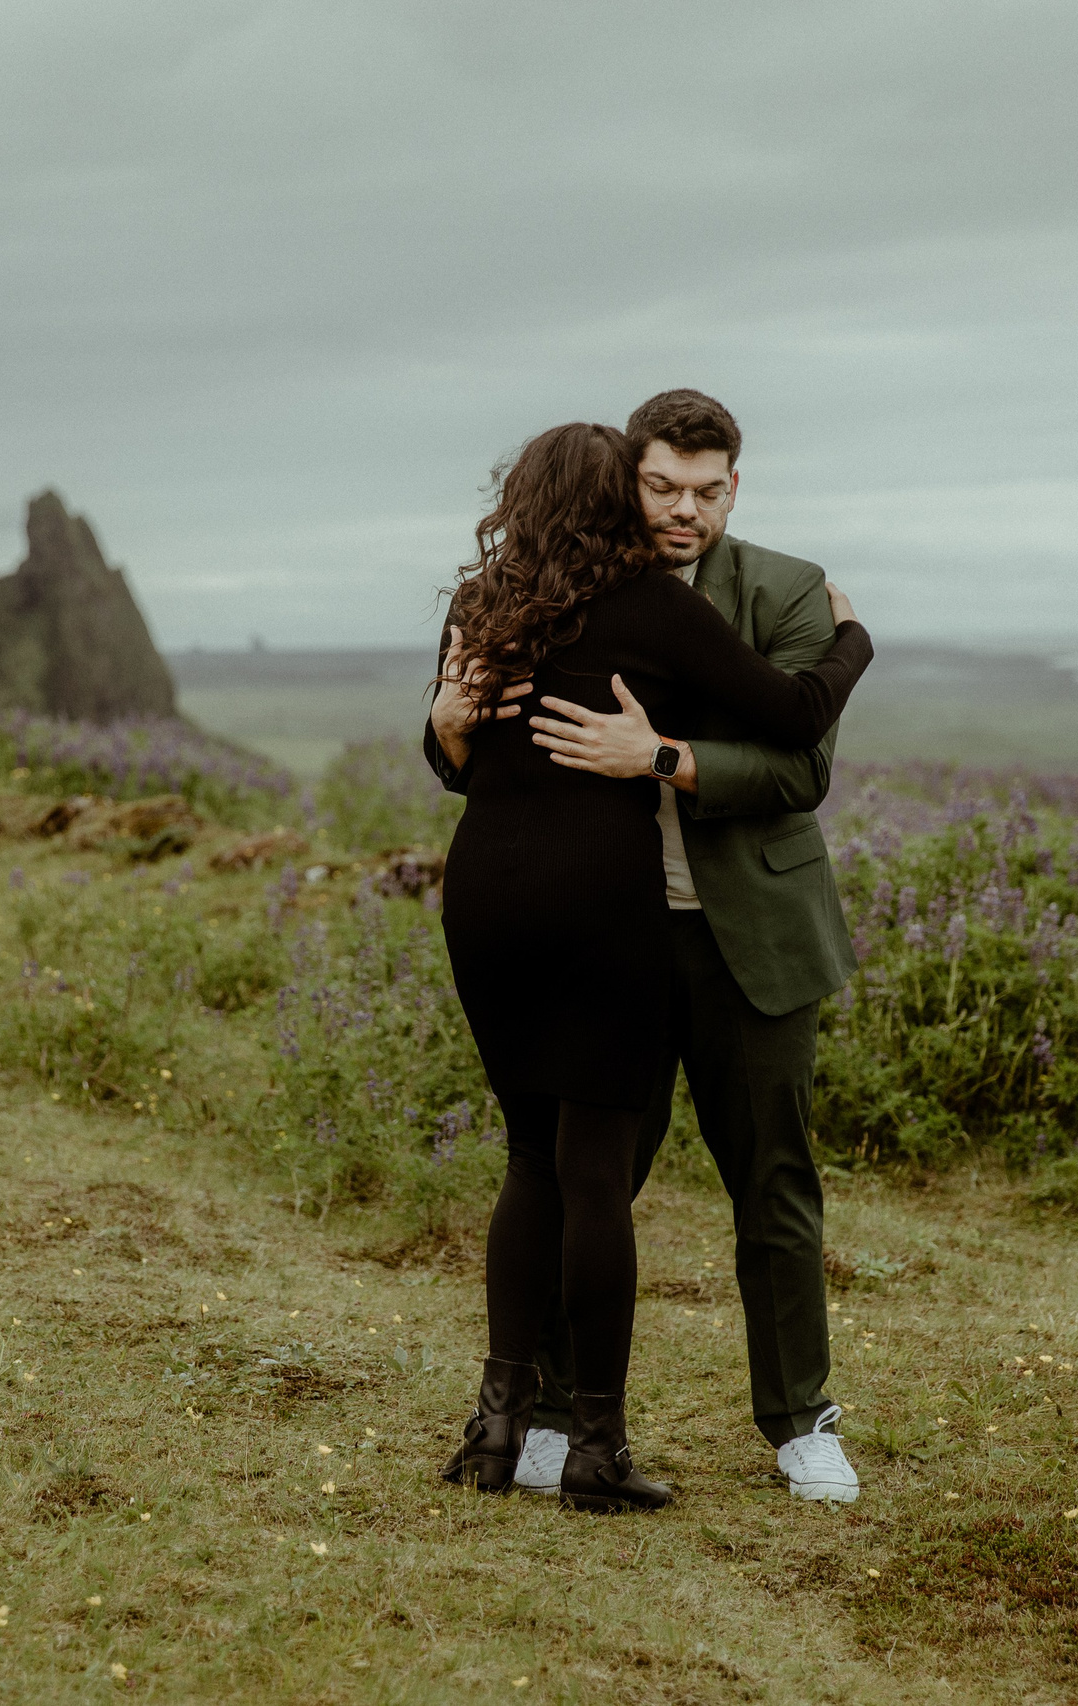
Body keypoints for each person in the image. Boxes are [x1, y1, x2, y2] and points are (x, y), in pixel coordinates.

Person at [427, 389, 869, 1503]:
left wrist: (659, 757)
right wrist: (438, 726)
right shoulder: (565, 593)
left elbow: (801, 764)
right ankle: (555, 1424)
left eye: (706, 492)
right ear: (624, 481)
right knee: (586, 1176)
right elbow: (471, 751)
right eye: (661, 486)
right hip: (605, 932)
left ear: (735, 488)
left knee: (765, 1180)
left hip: (742, 932)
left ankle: (799, 1424)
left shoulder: (784, 589)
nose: (684, 510)